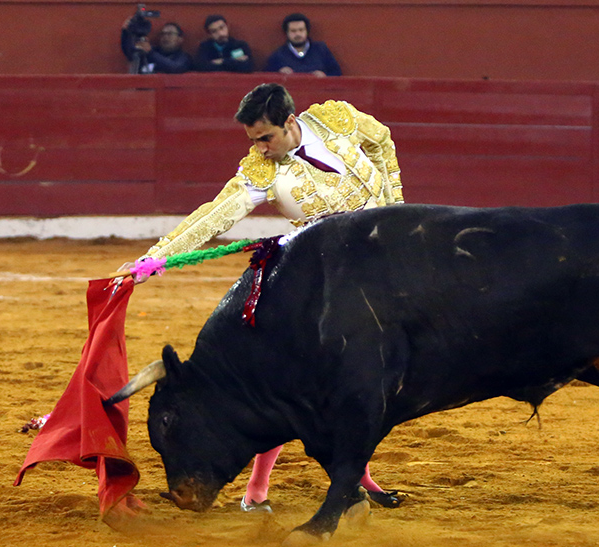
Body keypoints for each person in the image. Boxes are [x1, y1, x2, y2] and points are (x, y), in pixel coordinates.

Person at [115, 82, 404, 512]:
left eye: (265, 137)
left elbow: (381, 140)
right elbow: (214, 215)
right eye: (253, 140)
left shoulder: (336, 119)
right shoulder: (263, 171)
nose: (261, 148)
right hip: (323, 283)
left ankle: (358, 475)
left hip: (380, 267)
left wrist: (397, 208)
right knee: (288, 383)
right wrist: (153, 260)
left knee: (364, 380)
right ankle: (257, 491)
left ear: (291, 122)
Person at [263, 13, 341, 77]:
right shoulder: (278, 55)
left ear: (307, 31)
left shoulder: (321, 50)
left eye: (301, 30)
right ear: (286, 33)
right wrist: (279, 73)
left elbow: (337, 74)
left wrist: (325, 76)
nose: (298, 34)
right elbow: (266, 78)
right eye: (293, 31)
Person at [120, 17, 192, 74]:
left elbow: (174, 68)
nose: (165, 37)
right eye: (163, 34)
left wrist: (150, 53)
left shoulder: (184, 58)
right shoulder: (152, 51)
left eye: (170, 34)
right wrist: (126, 33)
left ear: (180, 39)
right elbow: (130, 53)